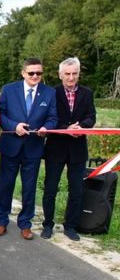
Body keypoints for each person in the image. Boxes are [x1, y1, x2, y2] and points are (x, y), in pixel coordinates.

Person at [0, 58, 57, 240]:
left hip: (34, 148)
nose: (35, 76)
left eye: (39, 73)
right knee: (5, 185)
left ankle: (25, 224)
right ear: (23, 73)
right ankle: (1, 221)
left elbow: (53, 117)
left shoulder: (49, 93)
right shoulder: (9, 89)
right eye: (31, 73)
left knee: (29, 188)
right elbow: (0, 114)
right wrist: (14, 126)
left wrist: (47, 128)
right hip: (10, 145)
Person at [42, 57, 96, 241]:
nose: (71, 78)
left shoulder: (87, 93)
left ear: (79, 73)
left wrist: (82, 127)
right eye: (67, 74)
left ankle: (70, 226)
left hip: (78, 149)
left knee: (77, 190)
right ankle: (47, 224)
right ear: (60, 75)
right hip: (56, 148)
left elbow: (91, 117)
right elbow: (50, 117)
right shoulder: (52, 93)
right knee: (50, 188)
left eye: (74, 73)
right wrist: (67, 129)